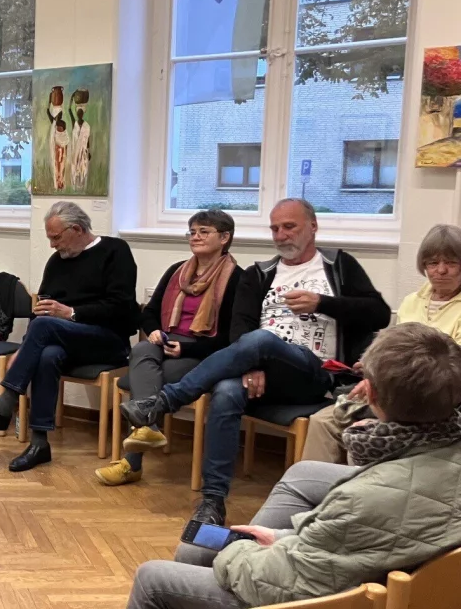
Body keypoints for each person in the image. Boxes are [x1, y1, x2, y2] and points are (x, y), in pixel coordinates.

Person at [106, 323, 461, 609]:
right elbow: (383, 536)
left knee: (156, 579)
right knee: (197, 550)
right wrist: (288, 538)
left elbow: (281, 581)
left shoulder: (366, 498)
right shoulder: (439, 445)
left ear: (375, 396)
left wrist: (242, 549)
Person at [120, 198, 390, 525]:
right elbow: (240, 329)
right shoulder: (259, 274)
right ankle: (213, 501)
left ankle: (164, 401)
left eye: (289, 227)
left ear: (313, 226)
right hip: (262, 372)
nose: (281, 235)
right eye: (275, 228)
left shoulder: (338, 264)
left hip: (314, 373)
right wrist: (252, 366)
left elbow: (379, 314)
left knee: (262, 339)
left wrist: (322, 303)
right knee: (226, 391)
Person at [0, 201, 139, 472]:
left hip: (108, 340)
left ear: (77, 229)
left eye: (56, 238)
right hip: (66, 341)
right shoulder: (57, 262)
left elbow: (122, 308)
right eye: (50, 239)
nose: (53, 245)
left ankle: (4, 404)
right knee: (47, 355)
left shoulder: (116, 251)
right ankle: (39, 443)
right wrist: (24, 349)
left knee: (45, 327)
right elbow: (41, 310)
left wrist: (72, 313)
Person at [95, 210, 241, 486]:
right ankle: (148, 428)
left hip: (202, 351)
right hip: (164, 341)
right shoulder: (177, 271)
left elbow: (231, 338)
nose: (195, 237)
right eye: (192, 232)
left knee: (153, 377)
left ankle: (131, 463)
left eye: (204, 232)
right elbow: (149, 312)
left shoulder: (237, 278)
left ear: (224, 237)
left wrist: (187, 350)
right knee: (141, 350)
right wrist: (153, 331)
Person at [303, 223, 461, 464]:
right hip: (392, 391)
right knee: (322, 421)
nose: (441, 270)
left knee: (363, 429)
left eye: (451, 262)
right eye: (432, 262)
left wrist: (382, 380)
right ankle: (317, 486)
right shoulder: (411, 301)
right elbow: (394, 349)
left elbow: (452, 369)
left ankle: (362, 483)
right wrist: (372, 370)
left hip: (438, 401)